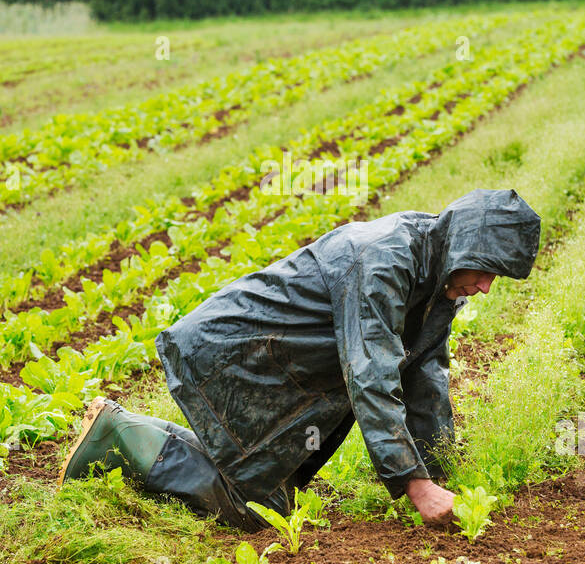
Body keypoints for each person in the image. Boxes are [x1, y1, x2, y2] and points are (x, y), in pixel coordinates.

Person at [59, 188, 541, 530]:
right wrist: (417, 487)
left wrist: (441, 470)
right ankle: (118, 437)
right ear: (462, 246)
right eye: (485, 270)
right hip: (238, 354)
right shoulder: (383, 260)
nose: (484, 286)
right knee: (255, 509)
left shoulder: (440, 279)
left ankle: (122, 431)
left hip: (283, 369)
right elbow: (372, 376)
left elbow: (423, 375)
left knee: (271, 496)